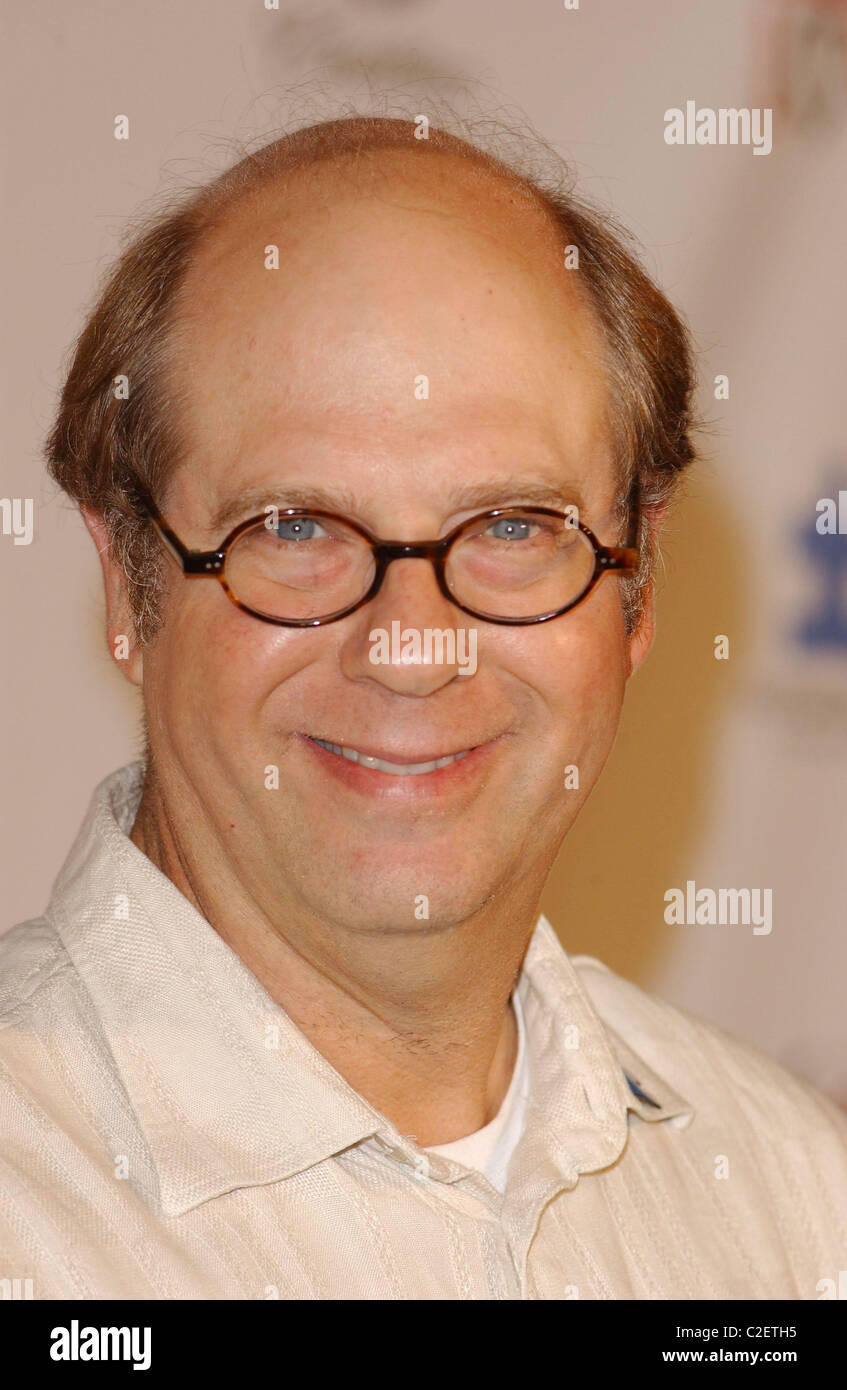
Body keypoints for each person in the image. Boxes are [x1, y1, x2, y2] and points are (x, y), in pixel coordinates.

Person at [2, 115, 844, 1300]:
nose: (409, 647)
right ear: (127, 579)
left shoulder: (794, 1196)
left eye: (512, 527)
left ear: (636, 584)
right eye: (293, 527)